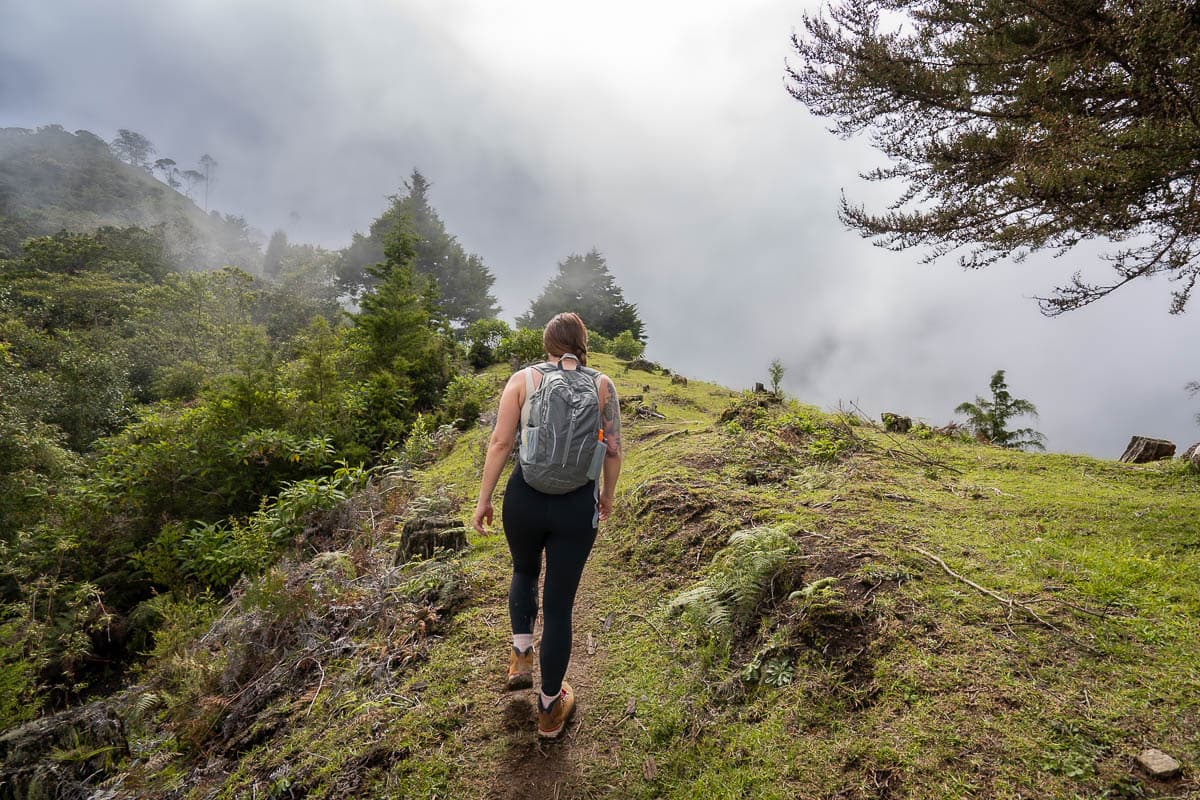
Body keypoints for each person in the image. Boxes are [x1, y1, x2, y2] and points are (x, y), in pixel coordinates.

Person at [472, 312, 623, 739]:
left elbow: (501, 441)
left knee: (523, 570)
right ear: (583, 344)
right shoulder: (603, 386)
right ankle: (549, 708)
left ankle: (521, 654)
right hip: (577, 507)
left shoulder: (523, 380)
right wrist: (606, 495)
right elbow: (612, 450)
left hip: (524, 498)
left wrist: (484, 499)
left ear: (547, 346)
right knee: (559, 607)